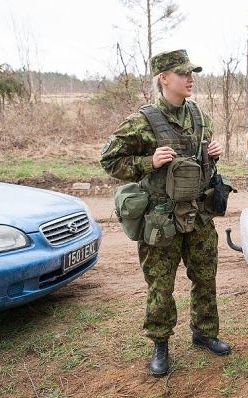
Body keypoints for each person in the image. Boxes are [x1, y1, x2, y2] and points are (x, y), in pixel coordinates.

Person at [100, 49, 231, 377]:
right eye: (184, 73)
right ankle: (160, 344)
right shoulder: (143, 121)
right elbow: (109, 160)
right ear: (164, 78)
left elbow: (201, 164)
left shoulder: (200, 116)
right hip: (161, 218)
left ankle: (204, 334)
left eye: (192, 73)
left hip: (198, 215)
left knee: (205, 277)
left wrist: (212, 155)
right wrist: (148, 162)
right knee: (161, 283)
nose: (191, 79)